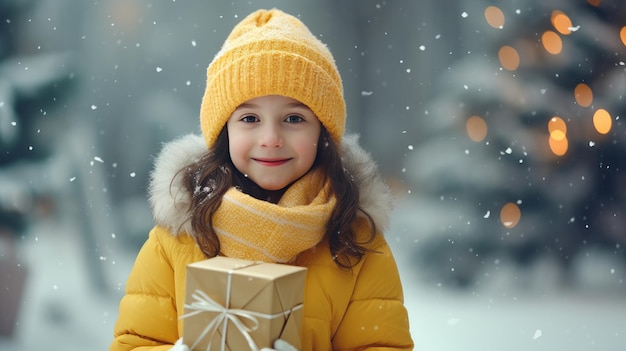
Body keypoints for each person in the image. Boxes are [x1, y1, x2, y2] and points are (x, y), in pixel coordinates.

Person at [109, 8, 414, 351]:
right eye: (250, 117)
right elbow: (134, 343)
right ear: (224, 131)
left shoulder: (355, 243)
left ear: (323, 133)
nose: (271, 138)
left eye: (294, 118)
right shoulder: (178, 238)